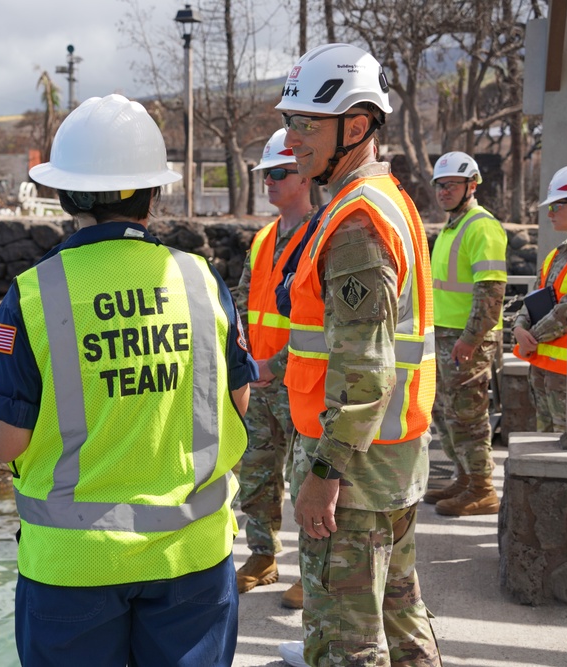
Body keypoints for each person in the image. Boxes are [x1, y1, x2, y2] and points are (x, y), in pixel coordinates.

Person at [0, 94, 257, 667]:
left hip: (72, 567)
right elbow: (237, 400)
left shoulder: (34, 294)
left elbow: (7, 439)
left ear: (63, 194)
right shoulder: (201, 281)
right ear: (153, 193)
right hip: (192, 558)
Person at [269, 43, 441, 666]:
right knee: (400, 617)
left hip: (354, 474)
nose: (291, 140)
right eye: (289, 122)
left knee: (345, 644)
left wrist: (324, 473)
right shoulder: (385, 199)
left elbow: (365, 367)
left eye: (306, 124)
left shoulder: (356, 221)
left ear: (358, 125)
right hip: (391, 462)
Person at [232, 128, 315, 608]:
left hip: (301, 380)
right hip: (261, 379)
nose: (269, 182)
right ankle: (263, 557)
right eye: (266, 174)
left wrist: (274, 363)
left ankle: (311, 571)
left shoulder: (321, 234)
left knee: (308, 480)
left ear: (304, 176)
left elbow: (323, 319)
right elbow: (241, 304)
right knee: (258, 473)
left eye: (278, 173)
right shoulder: (263, 238)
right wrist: (246, 361)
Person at [424, 151, 508, 517]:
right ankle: (464, 477)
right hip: (446, 336)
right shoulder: (452, 226)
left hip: (467, 340)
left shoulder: (481, 226)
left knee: (467, 415)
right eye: (440, 185)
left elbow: (490, 291)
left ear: (471, 186)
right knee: (446, 413)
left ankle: (482, 488)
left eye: (451, 185)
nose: (443, 191)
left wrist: (471, 339)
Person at [512, 164, 567, 432]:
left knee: (565, 447)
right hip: (543, 371)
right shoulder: (556, 255)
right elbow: (534, 297)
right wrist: (518, 327)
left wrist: (530, 337)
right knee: (544, 440)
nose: (549, 213)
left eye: (557, 206)